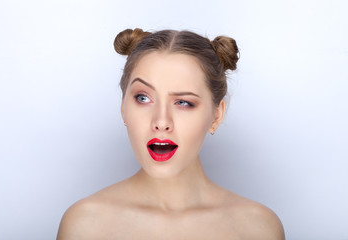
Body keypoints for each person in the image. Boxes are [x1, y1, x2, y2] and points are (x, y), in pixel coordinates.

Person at [57, 28, 285, 240]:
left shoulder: (259, 228)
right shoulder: (84, 224)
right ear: (123, 107)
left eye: (183, 102)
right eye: (143, 98)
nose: (161, 122)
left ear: (216, 115)